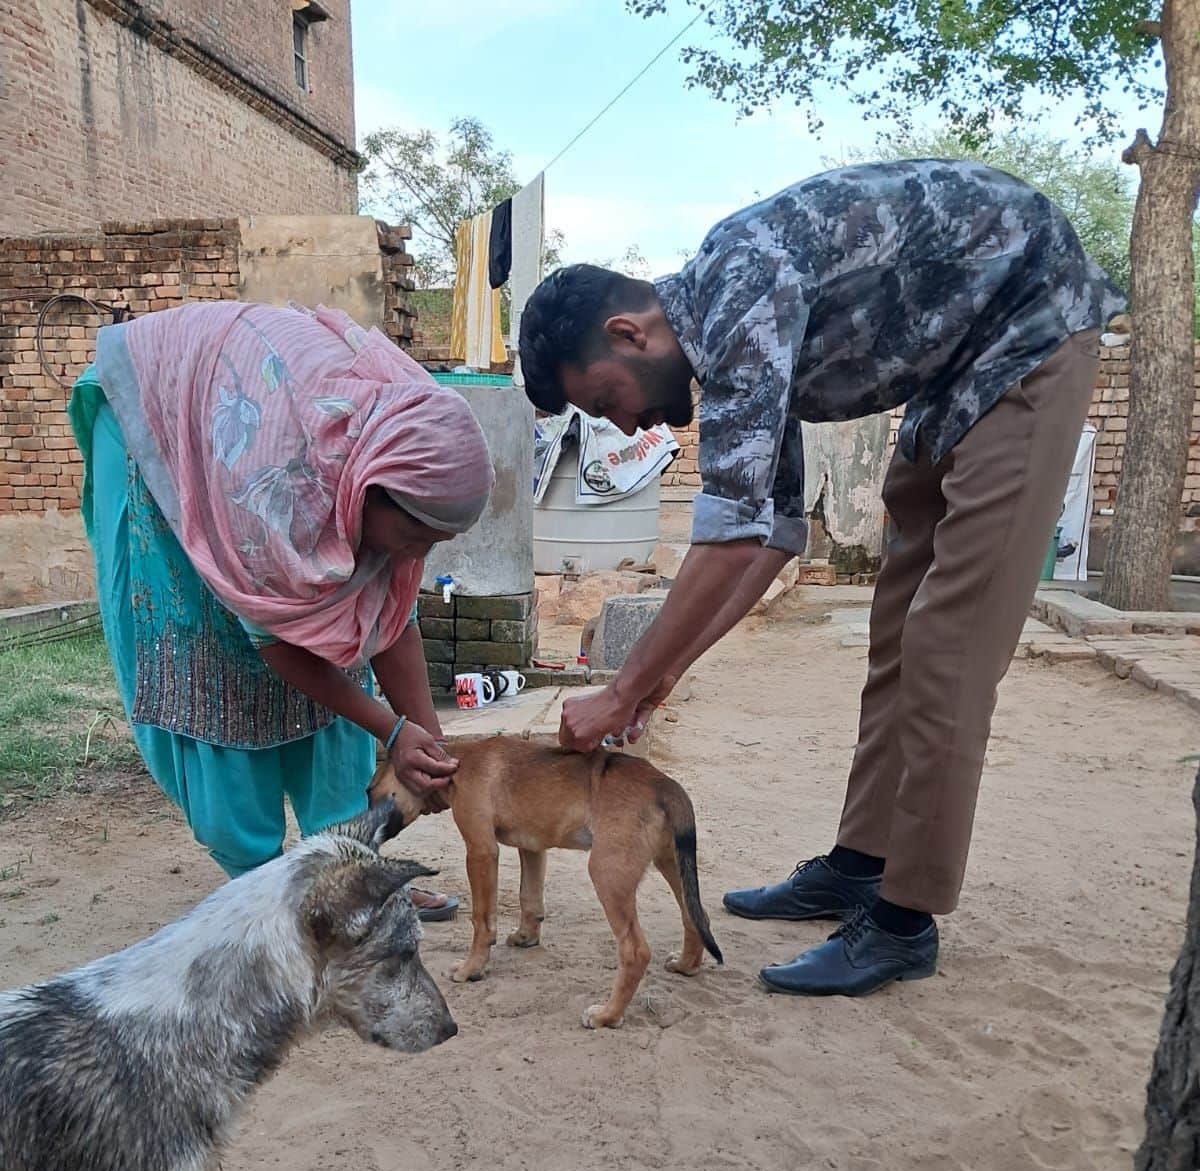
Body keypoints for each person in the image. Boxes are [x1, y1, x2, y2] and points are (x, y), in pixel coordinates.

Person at [519, 159, 1124, 997]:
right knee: (897, 635)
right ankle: (860, 864)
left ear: (629, 334)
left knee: (948, 648)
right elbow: (773, 535)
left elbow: (728, 540)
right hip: (952, 375)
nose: (624, 425)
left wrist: (621, 692)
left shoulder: (743, 284)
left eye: (606, 399)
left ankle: (904, 923)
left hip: (1028, 334)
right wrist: (661, 677)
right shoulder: (729, 340)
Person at [70, 300, 493, 914]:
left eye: (436, 543)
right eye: (415, 535)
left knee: (345, 621)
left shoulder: (403, 446)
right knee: (214, 653)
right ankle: (264, 892)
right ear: (368, 490)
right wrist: (392, 730)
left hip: (279, 421)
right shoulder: (276, 484)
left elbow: (389, 613)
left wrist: (424, 739)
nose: (419, 555)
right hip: (162, 419)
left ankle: (350, 870)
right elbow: (272, 637)